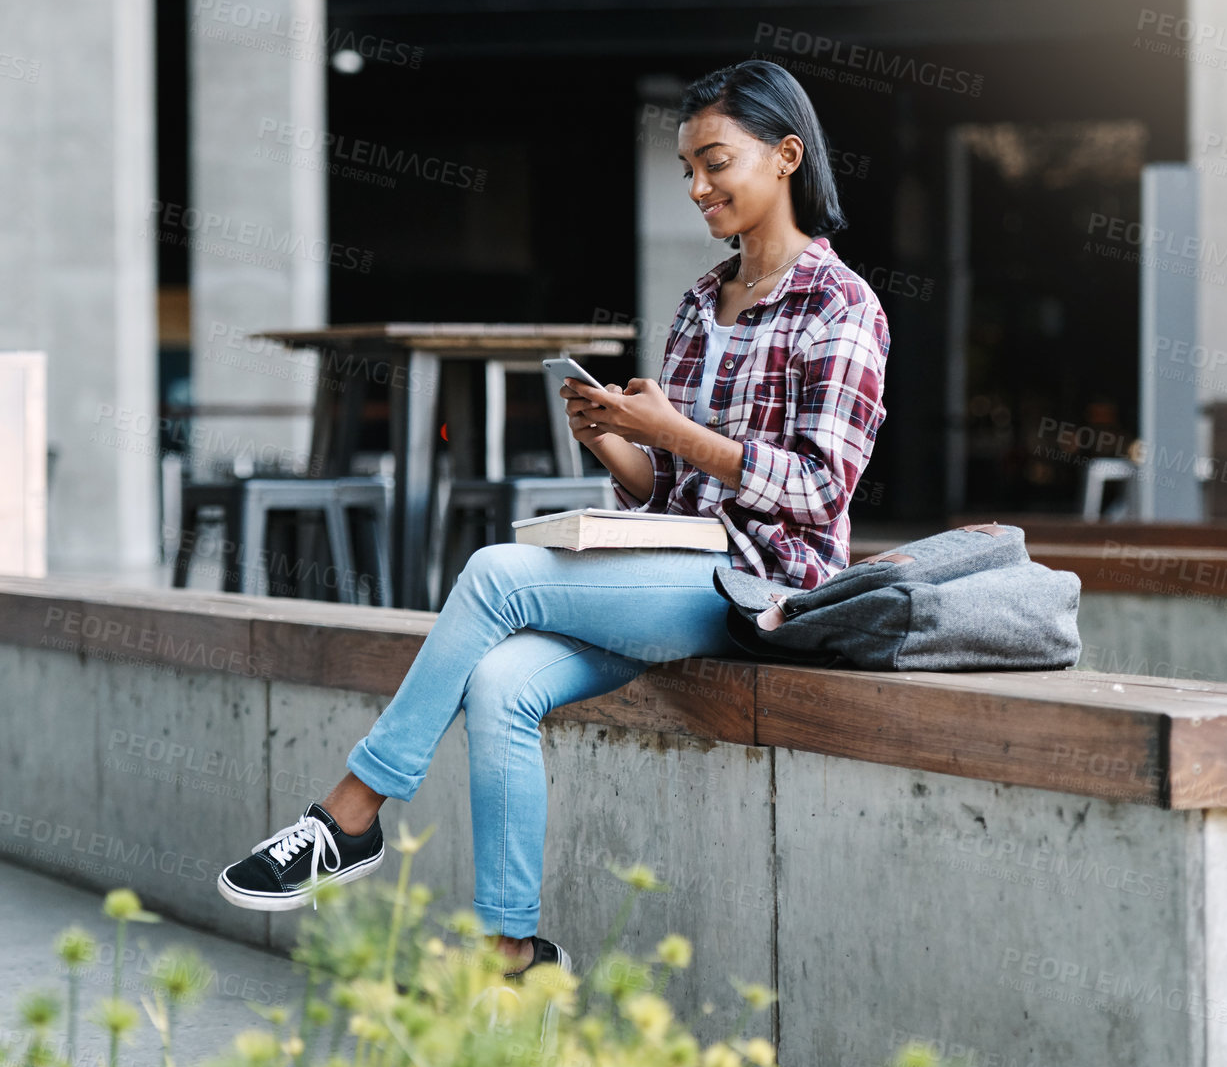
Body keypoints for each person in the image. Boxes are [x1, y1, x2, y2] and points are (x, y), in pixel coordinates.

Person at [216, 59, 889, 979]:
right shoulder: (700, 301)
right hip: (677, 567)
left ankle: (349, 815)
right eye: (687, 168)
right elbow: (663, 489)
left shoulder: (842, 305)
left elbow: (819, 491)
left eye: (715, 163)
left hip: (762, 590)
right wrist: (617, 439)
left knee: (496, 573)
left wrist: (677, 433)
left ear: (784, 156)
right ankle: (514, 955)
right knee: (500, 685)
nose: (698, 187)